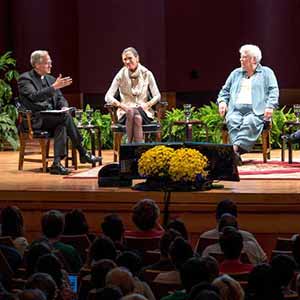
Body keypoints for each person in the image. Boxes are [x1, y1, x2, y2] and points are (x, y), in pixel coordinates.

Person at [18, 50, 101, 175]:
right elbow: (34, 96)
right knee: (64, 119)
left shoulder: (51, 79)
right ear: (37, 65)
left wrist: (63, 107)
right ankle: (83, 152)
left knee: (62, 123)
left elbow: (61, 99)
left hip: (52, 119)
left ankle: (56, 163)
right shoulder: (25, 79)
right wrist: (54, 87)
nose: (50, 65)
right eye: (47, 63)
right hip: (35, 120)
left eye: (50, 63)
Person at [217, 44, 279, 161]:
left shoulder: (266, 73)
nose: (241, 59)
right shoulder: (235, 73)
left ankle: (234, 151)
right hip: (236, 110)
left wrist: (270, 106)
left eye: (244, 57)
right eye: (241, 56)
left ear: (253, 59)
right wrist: (222, 102)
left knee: (250, 122)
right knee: (232, 120)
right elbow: (224, 91)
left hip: (256, 111)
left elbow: (274, 91)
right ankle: (236, 154)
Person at [105, 47, 161, 143]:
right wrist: (121, 105)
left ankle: (129, 145)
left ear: (137, 58)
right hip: (125, 113)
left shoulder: (147, 74)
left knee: (137, 115)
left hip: (144, 112)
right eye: (125, 59)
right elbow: (107, 96)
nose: (127, 61)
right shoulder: (120, 75)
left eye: (130, 58)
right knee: (135, 116)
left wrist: (147, 105)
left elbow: (157, 95)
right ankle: (138, 150)